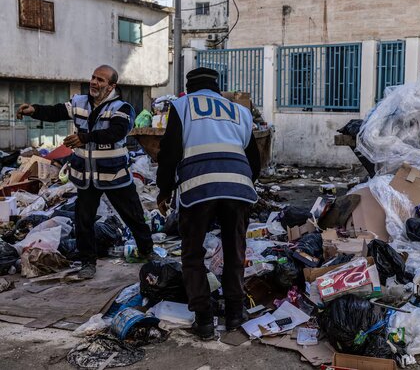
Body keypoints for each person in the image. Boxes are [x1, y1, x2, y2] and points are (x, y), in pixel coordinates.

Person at [16, 65, 155, 279]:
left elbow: (115, 132)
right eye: (93, 77)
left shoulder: (123, 108)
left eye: (100, 80)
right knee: (84, 221)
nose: (94, 82)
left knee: (134, 215)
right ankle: (87, 263)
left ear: (111, 86)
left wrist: (85, 138)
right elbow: (56, 112)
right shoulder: (79, 102)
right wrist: (34, 110)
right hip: (85, 177)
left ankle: (147, 251)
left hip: (114, 176)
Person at [156, 67, 260, 339]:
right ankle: (236, 313)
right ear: (217, 88)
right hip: (238, 186)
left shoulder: (181, 105)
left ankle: (203, 319)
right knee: (234, 249)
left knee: (192, 253)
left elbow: (169, 152)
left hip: (198, 187)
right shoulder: (239, 111)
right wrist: (242, 182)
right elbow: (254, 158)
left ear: (189, 88)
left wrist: (164, 190)